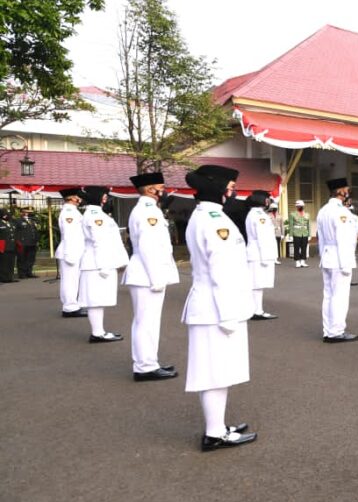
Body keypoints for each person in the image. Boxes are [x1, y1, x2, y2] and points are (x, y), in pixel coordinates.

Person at [182, 164, 257, 451]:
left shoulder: (208, 216)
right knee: (215, 372)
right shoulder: (215, 220)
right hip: (217, 308)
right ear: (217, 187)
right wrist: (229, 315)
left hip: (213, 306)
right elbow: (222, 270)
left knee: (217, 371)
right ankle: (214, 433)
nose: (233, 192)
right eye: (230, 187)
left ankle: (218, 425)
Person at [122, 172, 180, 381]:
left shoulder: (149, 210)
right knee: (146, 322)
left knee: (147, 321)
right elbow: (149, 247)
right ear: (149, 190)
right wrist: (157, 277)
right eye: (161, 187)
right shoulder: (148, 212)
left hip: (145, 272)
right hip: (147, 274)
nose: (165, 191)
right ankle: (145, 366)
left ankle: (148, 362)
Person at [78, 186, 129, 343]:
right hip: (96, 264)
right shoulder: (95, 215)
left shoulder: (96, 213)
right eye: (103, 195)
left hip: (96, 262)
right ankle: (97, 333)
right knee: (95, 300)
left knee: (97, 300)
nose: (106, 198)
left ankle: (98, 331)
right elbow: (99, 240)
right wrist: (103, 266)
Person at [317, 178, 358, 343]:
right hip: (340, 257)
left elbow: (320, 238)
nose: (347, 192)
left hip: (328, 256)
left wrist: (322, 256)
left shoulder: (323, 210)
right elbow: (344, 239)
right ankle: (336, 331)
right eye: (346, 189)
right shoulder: (342, 212)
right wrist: (347, 263)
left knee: (328, 295)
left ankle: (328, 330)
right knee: (339, 297)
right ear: (340, 191)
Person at [245, 190, 279, 321]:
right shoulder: (260, 216)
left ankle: (256, 310)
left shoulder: (254, 214)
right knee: (257, 285)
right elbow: (263, 238)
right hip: (259, 255)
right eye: (267, 198)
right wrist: (266, 257)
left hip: (256, 254)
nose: (268, 201)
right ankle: (256, 311)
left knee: (257, 285)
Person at [57, 187, 87, 317]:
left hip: (74, 250)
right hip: (70, 251)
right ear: (72, 198)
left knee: (73, 280)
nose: (80, 198)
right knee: (70, 280)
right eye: (78, 196)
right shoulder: (69, 212)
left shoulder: (73, 211)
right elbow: (69, 234)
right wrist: (70, 254)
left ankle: (73, 304)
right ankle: (69, 307)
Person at [14, 208, 39, 278]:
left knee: (31, 258)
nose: (27, 213)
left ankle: (29, 272)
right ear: (21, 213)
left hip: (32, 242)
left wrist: (37, 240)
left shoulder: (32, 221)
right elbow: (15, 232)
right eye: (25, 212)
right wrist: (18, 241)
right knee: (22, 259)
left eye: (28, 212)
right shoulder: (18, 221)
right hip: (23, 243)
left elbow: (35, 231)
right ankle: (22, 274)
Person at [288, 200, 311, 267]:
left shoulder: (307, 214)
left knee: (304, 247)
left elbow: (308, 225)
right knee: (296, 248)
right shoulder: (292, 214)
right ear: (296, 207)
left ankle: (303, 261)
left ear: (303, 206)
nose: (300, 207)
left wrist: (309, 234)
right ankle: (297, 262)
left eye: (301, 206)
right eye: (298, 206)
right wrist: (291, 235)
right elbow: (291, 225)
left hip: (305, 233)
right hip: (296, 233)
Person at [0, 209, 15, 283]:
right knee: (4, 263)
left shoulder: (10, 223)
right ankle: (3, 278)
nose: (7, 215)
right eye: (6, 214)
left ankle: (10, 277)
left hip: (11, 246)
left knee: (11, 262)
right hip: (3, 246)